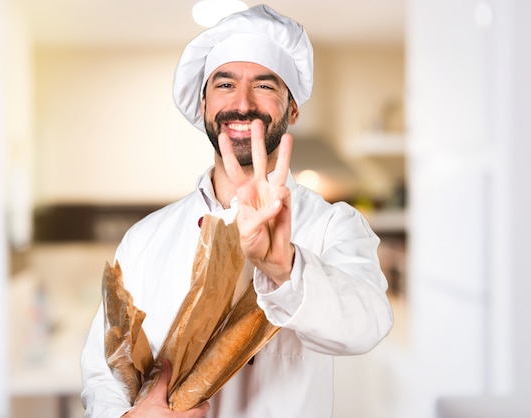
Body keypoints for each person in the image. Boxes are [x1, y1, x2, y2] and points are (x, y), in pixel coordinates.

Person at [80, 4, 393, 418]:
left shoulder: (331, 225)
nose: (242, 103)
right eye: (225, 84)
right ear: (204, 104)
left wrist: (286, 268)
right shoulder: (144, 238)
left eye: (264, 85)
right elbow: (104, 372)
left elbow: (367, 324)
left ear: (292, 108)